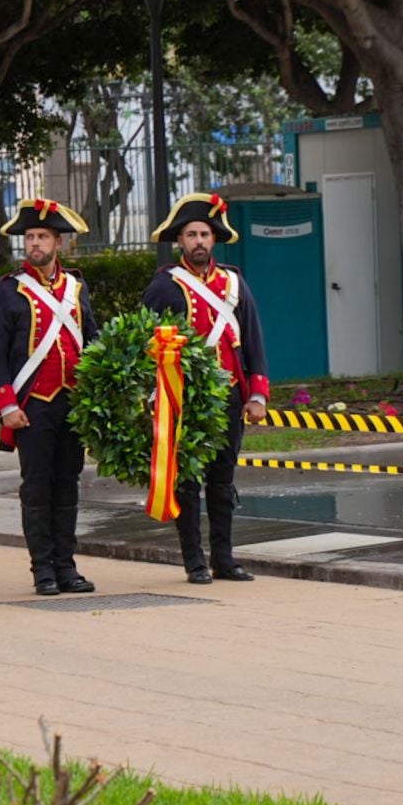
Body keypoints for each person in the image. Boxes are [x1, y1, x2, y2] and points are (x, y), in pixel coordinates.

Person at [141, 193, 267, 585]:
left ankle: (224, 558)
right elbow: (146, 345)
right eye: (192, 234)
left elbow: (253, 341)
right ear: (180, 241)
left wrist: (257, 394)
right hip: (185, 398)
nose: (198, 241)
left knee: (222, 479)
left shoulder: (233, 282)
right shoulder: (164, 286)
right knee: (187, 481)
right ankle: (194, 561)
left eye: (205, 234)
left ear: (214, 240)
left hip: (228, 396)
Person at [0, 199, 98, 596]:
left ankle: (66, 566)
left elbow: (92, 341)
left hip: (74, 403)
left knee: (68, 484)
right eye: (30, 237)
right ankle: (43, 570)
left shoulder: (76, 287)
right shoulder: (8, 291)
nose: (34, 243)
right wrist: (7, 405)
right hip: (33, 406)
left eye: (42, 237)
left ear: (58, 243)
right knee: (36, 487)